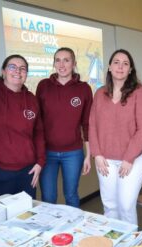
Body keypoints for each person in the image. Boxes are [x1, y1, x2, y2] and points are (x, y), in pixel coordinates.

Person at [89, 49, 142, 225]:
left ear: (130, 69)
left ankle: (131, 243)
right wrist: (97, 154)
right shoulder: (100, 93)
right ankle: (114, 241)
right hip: (105, 159)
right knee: (110, 206)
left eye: (125, 63)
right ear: (109, 67)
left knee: (125, 205)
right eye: (116, 62)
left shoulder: (138, 92)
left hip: (133, 158)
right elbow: (92, 125)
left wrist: (129, 158)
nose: (120, 67)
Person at [0, 54, 45, 199]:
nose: (18, 71)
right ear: (3, 71)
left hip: (28, 171)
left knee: (27, 217)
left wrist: (40, 162)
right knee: (1, 218)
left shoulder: (32, 99)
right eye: (12, 67)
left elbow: (39, 133)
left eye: (23, 69)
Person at [36, 47, 92, 208]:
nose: (62, 64)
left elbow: (87, 123)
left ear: (74, 63)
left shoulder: (84, 89)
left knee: (71, 195)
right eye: (58, 60)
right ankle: (50, 232)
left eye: (66, 60)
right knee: (48, 197)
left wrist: (88, 155)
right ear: (54, 64)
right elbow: (37, 122)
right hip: (47, 153)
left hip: (73, 153)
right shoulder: (43, 86)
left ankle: (73, 232)